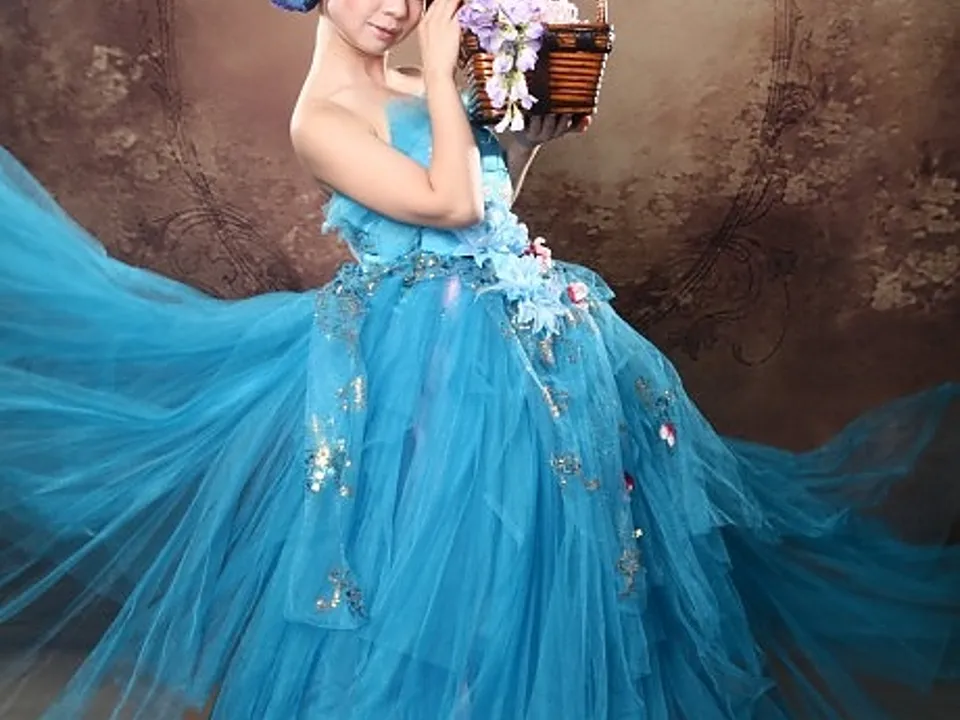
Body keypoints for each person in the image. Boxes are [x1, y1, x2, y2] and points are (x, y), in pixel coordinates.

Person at [0, 0, 958, 718]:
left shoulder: (413, 89)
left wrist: (525, 133)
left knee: (535, 548)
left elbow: (491, 200)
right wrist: (444, 71)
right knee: (435, 544)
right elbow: (449, 206)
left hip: (529, 334)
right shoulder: (321, 117)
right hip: (427, 356)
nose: (395, 8)